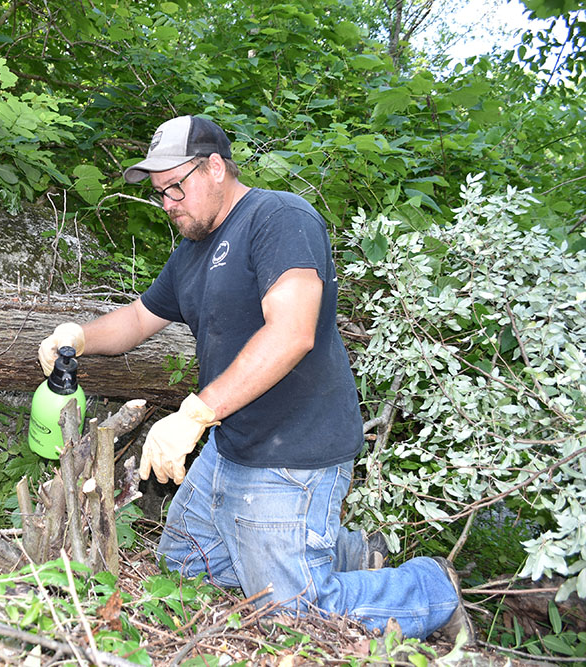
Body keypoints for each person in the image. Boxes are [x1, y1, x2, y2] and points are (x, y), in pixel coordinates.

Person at [38, 115, 474, 642]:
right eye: (159, 194)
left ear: (216, 168)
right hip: (232, 444)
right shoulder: (191, 252)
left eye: (175, 187)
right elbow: (136, 319)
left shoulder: (279, 218)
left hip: (297, 450)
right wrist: (77, 336)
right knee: (185, 568)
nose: (167, 203)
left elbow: (293, 333)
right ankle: (351, 552)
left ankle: (431, 588)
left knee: (291, 615)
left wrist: (196, 413)